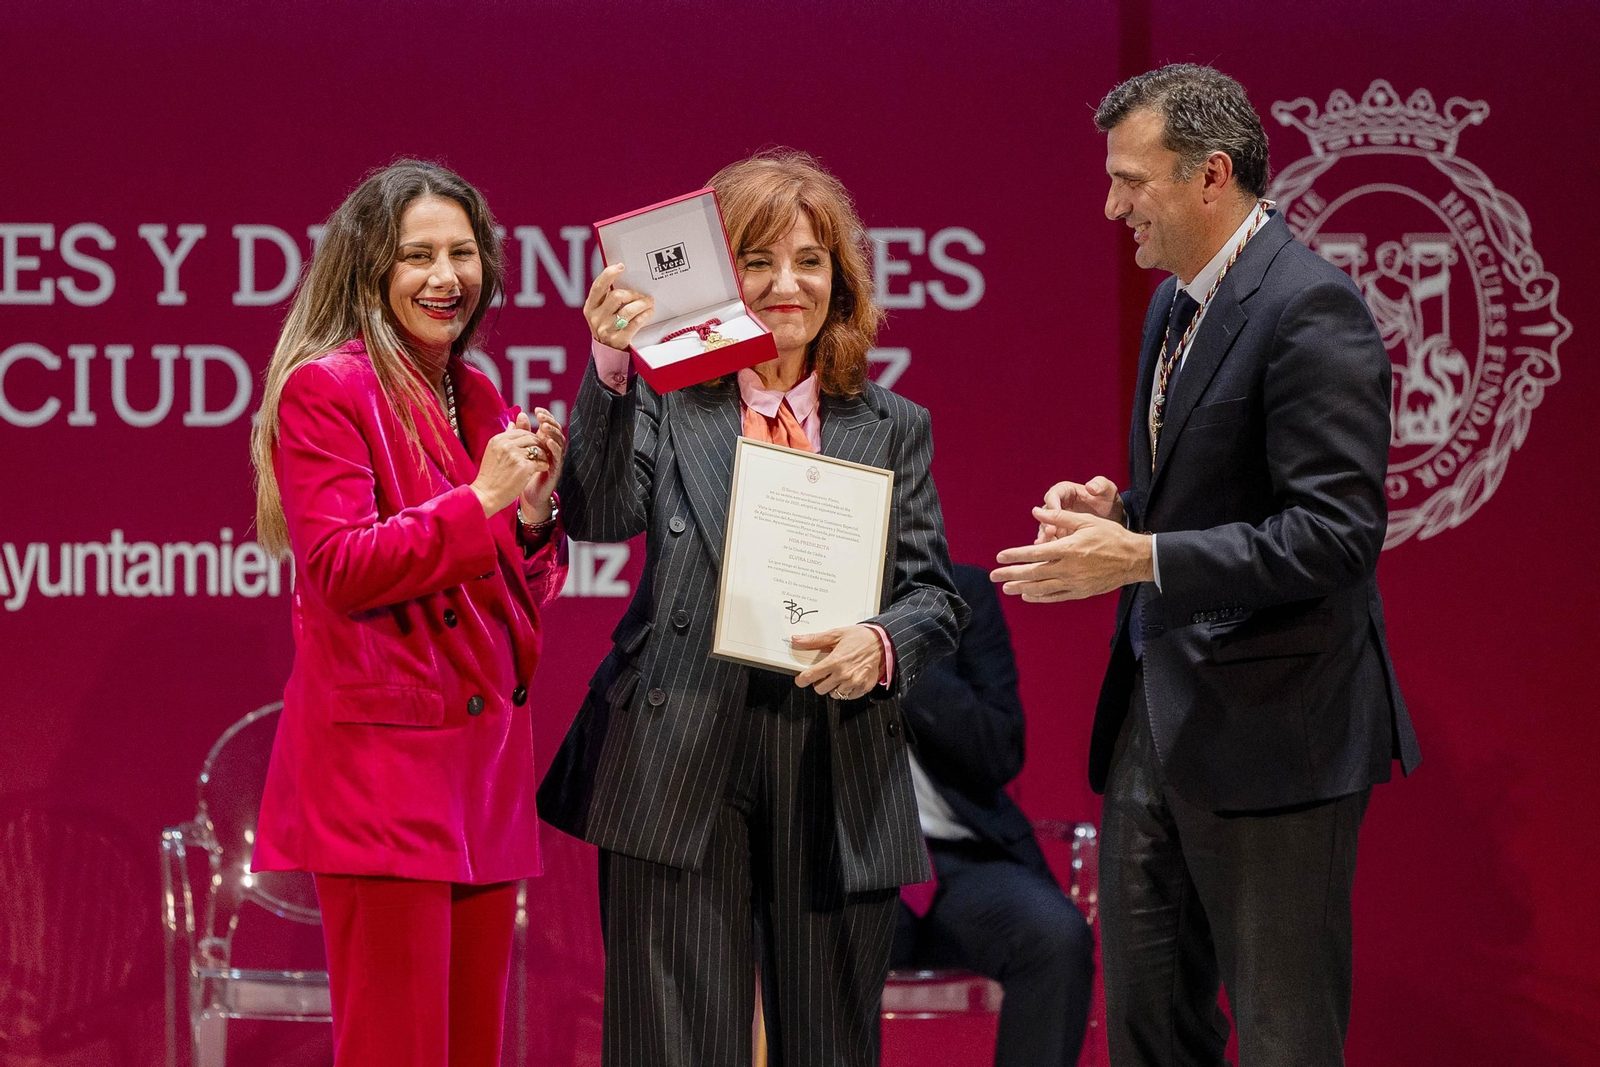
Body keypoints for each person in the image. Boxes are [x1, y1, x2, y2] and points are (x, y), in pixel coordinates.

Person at [990, 65, 1421, 1067]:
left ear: (1210, 175)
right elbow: (1206, 500)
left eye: (1129, 180)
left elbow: (1335, 533)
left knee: (1280, 1037)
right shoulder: (1169, 308)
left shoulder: (1312, 307)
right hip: (1157, 720)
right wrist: (1121, 512)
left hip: (1278, 734)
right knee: (1149, 1028)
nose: (1111, 206)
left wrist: (1138, 554)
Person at [537, 149, 967, 1067]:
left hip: (834, 755)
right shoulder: (668, 399)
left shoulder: (892, 423)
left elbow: (933, 594)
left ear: (839, 281)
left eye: (809, 262)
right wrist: (610, 366)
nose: (786, 286)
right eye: (760, 262)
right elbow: (602, 514)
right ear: (722, 280)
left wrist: (880, 641)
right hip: (678, 750)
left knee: (830, 1048)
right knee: (671, 1049)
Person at [249, 159, 568, 1067]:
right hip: (384, 778)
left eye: (463, 253)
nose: (446, 277)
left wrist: (534, 510)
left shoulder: (475, 392)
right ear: (369, 271)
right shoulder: (327, 387)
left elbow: (511, 593)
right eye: (417, 256)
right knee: (397, 1050)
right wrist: (480, 503)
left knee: (470, 1050)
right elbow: (341, 567)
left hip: (482, 774)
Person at [890, 563, 1094, 1067]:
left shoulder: (956, 595)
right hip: (847, 863)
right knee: (811, 941)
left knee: (1055, 937)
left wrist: (896, 649)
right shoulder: (797, 591)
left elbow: (999, 752)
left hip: (957, 863)